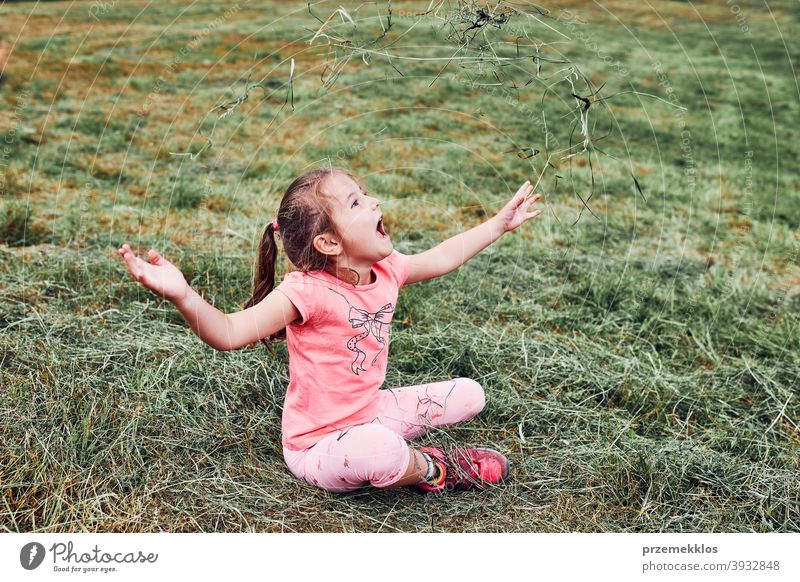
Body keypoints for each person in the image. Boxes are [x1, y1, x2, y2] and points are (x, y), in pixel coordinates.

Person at [118, 167, 543, 493]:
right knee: (381, 451)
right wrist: (183, 295)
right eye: (356, 203)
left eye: (364, 194)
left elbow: (444, 256)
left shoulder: (387, 269)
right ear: (329, 243)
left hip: (370, 410)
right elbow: (228, 333)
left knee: (471, 393)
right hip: (319, 445)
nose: (375, 202)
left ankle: (390, 444)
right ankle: (435, 469)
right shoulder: (306, 292)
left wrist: (498, 224)